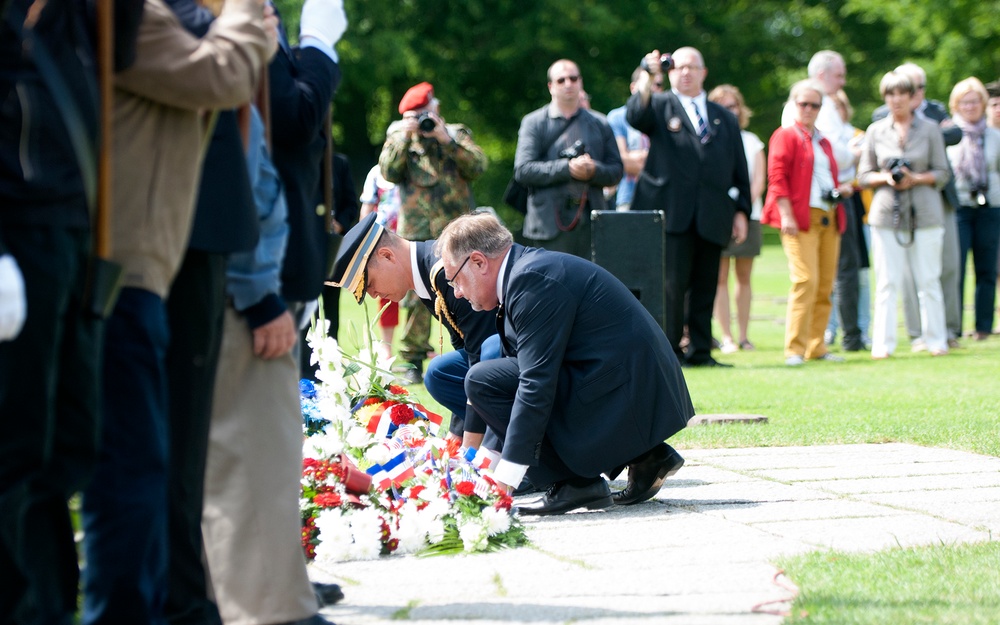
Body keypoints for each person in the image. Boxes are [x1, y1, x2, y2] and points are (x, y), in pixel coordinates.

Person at [78, 0, 271, 622]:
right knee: (130, 470)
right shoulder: (134, 15)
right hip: (122, 274)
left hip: (137, 272)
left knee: (142, 464)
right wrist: (244, 10)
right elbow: (222, 75)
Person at [199, 0, 347, 623]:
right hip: (253, 261)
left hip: (278, 253)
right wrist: (319, 49)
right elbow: (288, 116)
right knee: (254, 438)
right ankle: (263, 595)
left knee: (276, 438)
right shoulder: (216, 19)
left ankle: (278, 578)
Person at [0, 0, 143, 621]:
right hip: (18, 237)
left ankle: (49, 608)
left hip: (76, 240)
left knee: (69, 444)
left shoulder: (75, 16)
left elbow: (124, 48)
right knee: (16, 450)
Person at [437, 213, 693, 515]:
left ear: (479, 262)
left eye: (455, 279)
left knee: (482, 379)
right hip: (626, 384)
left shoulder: (530, 280)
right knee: (490, 377)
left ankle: (574, 484)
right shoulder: (526, 272)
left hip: (629, 392)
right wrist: (482, 465)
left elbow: (534, 383)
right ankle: (647, 456)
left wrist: (505, 480)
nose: (456, 292)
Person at [627, 47, 750, 367]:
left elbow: (738, 166)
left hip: (712, 214)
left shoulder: (723, 116)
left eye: (692, 67)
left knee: (706, 285)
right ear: (669, 73)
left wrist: (741, 211)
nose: (686, 72)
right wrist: (646, 75)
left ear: (703, 72)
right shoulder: (659, 104)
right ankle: (669, 350)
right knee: (671, 285)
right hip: (670, 214)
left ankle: (700, 350)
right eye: (679, 67)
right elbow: (635, 116)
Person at [328, 212, 499, 441]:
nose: (373, 294)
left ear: (387, 255)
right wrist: (455, 435)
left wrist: (468, 448)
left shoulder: (445, 270)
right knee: (440, 372)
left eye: (369, 285)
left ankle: (501, 442)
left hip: (533, 360)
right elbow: (468, 353)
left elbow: (483, 361)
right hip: (504, 357)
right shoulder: (427, 274)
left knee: (448, 371)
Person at [379, 81, 488, 384]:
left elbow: (478, 166)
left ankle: (472, 347)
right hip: (416, 232)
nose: (424, 120)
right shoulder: (401, 138)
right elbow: (388, 172)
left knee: (466, 287)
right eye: (417, 115)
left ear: (436, 109)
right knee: (415, 295)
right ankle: (412, 359)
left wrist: (446, 139)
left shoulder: (456, 134)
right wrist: (405, 135)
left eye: (426, 112)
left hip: (457, 231)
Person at [858, 71, 951, 359]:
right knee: (887, 281)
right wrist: (886, 178)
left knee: (928, 279)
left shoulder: (931, 129)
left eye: (902, 94)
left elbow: (943, 173)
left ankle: (936, 340)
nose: (896, 100)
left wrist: (917, 178)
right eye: (890, 94)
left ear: (913, 98)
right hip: (887, 213)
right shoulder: (875, 131)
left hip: (925, 210)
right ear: (885, 98)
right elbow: (863, 176)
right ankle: (882, 344)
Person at [762, 79, 851, 366]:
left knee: (825, 284)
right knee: (805, 280)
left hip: (829, 216)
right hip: (800, 217)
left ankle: (817, 345)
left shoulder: (823, 140)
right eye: (804, 104)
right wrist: (785, 213)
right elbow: (777, 178)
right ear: (793, 104)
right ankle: (794, 348)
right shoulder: (785, 135)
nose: (809, 109)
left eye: (815, 105)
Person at [514, 59, 623, 258]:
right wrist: (568, 169)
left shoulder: (599, 123)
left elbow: (616, 170)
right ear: (551, 87)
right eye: (561, 80)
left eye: (573, 78)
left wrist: (593, 170)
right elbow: (523, 170)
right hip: (549, 226)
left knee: (591, 287)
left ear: (580, 82)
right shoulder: (534, 123)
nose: (568, 84)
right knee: (552, 287)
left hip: (592, 223)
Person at [708, 84, 765, 353]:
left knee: (744, 276)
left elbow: (757, 182)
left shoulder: (752, 141)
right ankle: (726, 335)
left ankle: (744, 335)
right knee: (719, 277)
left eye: (733, 106)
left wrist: (741, 209)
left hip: (750, 215)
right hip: (718, 215)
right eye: (724, 106)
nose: (730, 111)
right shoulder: (708, 138)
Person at [947, 77, 1000, 341]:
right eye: (965, 102)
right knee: (955, 267)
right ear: (956, 104)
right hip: (959, 208)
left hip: (990, 207)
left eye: (975, 101)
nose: (970, 106)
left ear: (983, 103)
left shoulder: (994, 136)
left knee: (987, 268)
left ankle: (983, 327)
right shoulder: (949, 134)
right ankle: (954, 326)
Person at [359, 163, 402, 359]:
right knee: (386, 293)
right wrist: (363, 237)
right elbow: (367, 205)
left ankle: (417, 345)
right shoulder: (376, 172)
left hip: (410, 238)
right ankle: (387, 346)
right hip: (382, 239)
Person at [606, 67, 661, 211]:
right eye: (648, 84)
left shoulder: (667, 116)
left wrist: (637, 157)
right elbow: (620, 160)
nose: (653, 88)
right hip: (628, 197)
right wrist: (656, 161)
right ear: (633, 87)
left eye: (658, 85)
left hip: (663, 198)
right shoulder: (617, 117)